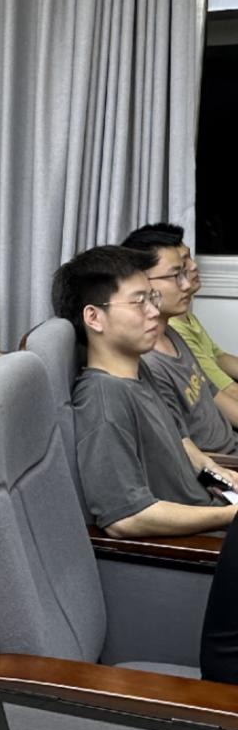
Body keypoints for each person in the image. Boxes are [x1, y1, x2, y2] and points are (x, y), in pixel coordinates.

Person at [51, 245, 237, 539]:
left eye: (152, 298)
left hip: (211, 506)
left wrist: (215, 472)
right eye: (139, 302)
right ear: (94, 318)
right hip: (196, 540)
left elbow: (180, 439)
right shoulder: (104, 400)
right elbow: (126, 518)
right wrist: (228, 516)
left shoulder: (138, 369)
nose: (154, 311)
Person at [118, 229, 238, 454]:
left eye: (184, 273)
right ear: (141, 282)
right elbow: (182, 451)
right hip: (222, 462)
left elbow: (213, 393)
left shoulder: (172, 334)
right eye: (175, 276)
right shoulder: (148, 363)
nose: (186, 285)